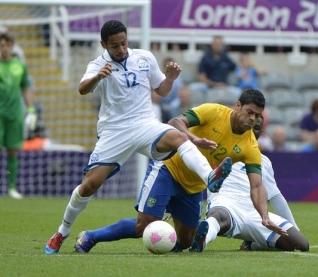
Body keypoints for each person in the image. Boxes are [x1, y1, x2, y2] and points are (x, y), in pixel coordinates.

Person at [44, 20, 233, 254]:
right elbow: (82, 89)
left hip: (145, 124)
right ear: (104, 44)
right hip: (115, 132)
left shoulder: (144, 58)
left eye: (124, 43)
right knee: (89, 186)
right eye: (114, 46)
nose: (121, 49)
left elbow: (161, 91)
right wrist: (98, 77)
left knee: (178, 138)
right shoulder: (98, 64)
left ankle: (210, 177)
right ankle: (62, 232)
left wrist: (170, 79)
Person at [72, 89, 287, 254]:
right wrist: (192, 138)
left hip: (193, 187)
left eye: (257, 116)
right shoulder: (214, 112)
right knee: (143, 226)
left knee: (185, 242)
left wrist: (265, 216)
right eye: (250, 112)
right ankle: (91, 236)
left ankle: (163, 241)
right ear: (238, 106)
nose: (253, 119)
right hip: (168, 169)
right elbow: (175, 122)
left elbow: (257, 185)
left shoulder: (250, 146)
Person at [190, 116, 308, 253]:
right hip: (226, 204)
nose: (252, 129)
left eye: (257, 127)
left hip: (255, 213)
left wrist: (294, 228)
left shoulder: (264, 161)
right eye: (250, 125)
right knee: (217, 217)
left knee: (301, 244)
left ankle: (252, 244)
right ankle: (202, 240)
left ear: (261, 132)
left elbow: (275, 196)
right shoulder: (219, 147)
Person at [0, 32, 37, 200]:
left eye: (7, 45)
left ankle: (12, 187)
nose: (4, 49)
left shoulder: (20, 66)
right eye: (1, 46)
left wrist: (30, 110)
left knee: (12, 151)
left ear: (11, 46)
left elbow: (25, 89)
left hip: (15, 114)